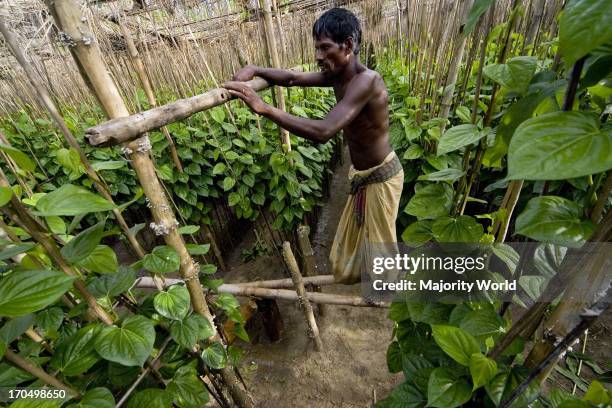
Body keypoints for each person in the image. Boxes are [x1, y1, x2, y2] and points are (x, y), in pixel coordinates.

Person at [223, 7, 403, 284]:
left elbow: (324, 131)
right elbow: (293, 79)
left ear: (349, 45)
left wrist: (265, 109)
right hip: (363, 176)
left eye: (324, 48)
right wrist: (256, 69)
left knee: (381, 244)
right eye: (317, 48)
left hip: (381, 177)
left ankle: (386, 292)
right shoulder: (339, 76)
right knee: (362, 238)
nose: (318, 56)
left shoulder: (367, 81)